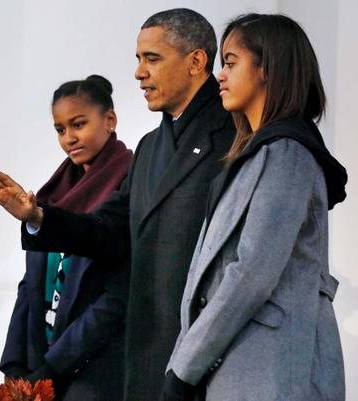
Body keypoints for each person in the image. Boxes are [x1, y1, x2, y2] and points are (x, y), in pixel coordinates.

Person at [0, 9, 235, 400]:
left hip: (204, 353)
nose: (139, 73)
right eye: (138, 59)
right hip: (149, 354)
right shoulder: (151, 147)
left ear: (196, 61)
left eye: (152, 58)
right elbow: (109, 231)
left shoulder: (235, 135)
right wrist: (37, 217)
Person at [160, 14, 347, 401]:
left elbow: (252, 272)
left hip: (271, 370)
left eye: (230, 62)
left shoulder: (287, 153)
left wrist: (184, 368)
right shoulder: (260, 153)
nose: (220, 76)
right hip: (241, 367)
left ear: (268, 69)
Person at [0, 75, 133, 400]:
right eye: (60, 129)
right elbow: (30, 284)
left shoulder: (130, 182)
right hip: (43, 366)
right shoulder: (58, 189)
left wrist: (52, 369)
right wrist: (14, 365)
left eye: (79, 124)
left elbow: (116, 297)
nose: (69, 138)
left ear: (110, 120)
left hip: (95, 374)